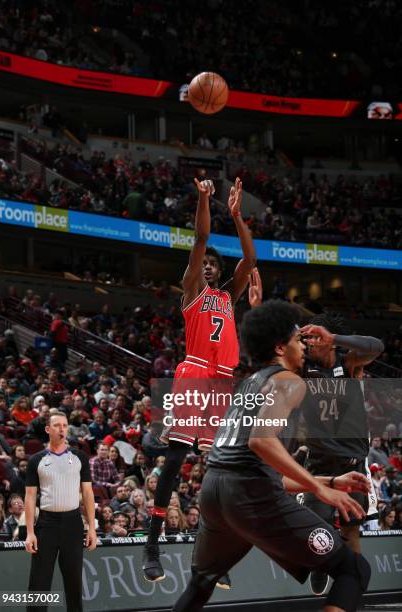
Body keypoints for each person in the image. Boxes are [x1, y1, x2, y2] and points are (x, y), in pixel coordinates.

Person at [172, 300, 371, 612]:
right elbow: (261, 442)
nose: (303, 347)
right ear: (280, 347)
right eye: (296, 341)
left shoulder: (249, 383)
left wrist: (330, 480)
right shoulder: (289, 381)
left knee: (200, 584)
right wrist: (321, 490)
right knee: (354, 569)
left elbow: (267, 468)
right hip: (250, 494)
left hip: (214, 492)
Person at [143, 176, 256, 584]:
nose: (206, 264)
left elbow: (249, 258)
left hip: (223, 383)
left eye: (212, 263)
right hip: (194, 371)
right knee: (174, 462)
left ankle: (210, 556)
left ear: (219, 272)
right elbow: (202, 235)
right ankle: (152, 545)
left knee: (217, 470)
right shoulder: (192, 290)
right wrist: (205, 198)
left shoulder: (228, 296)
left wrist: (239, 215)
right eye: (202, 261)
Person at [300, 314, 384, 596]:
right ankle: (318, 564)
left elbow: (377, 346)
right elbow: (273, 347)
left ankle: (351, 588)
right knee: (318, 524)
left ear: (330, 341)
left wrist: (334, 337)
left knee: (351, 530)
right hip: (320, 462)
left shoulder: (348, 364)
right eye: (308, 338)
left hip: (353, 462)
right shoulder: (303, 367)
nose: (310, 343)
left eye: (315, 338)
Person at [25, 412, 97, 611]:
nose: (62, 429)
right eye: (57, 425)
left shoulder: (80, 457)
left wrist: (91, 528)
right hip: (46, 525)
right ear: (48, 429)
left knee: (74, 584)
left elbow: (88, 493)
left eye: (65, 425)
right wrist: (30, 532)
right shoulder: (36, 460)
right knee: (38, 584)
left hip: (73, 524)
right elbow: (30, 497)